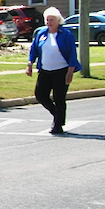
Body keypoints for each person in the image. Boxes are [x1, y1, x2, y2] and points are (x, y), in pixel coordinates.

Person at [26, 7, 81, 135]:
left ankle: (57, 125)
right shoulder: (41, 33)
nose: (49, 22)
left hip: (61, 70)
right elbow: (34, 50)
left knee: (59, 97)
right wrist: (30, 64)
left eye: (52, 20)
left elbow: (72, 54)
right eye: (47, 20)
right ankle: (57, 114)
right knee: (40, 95)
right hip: (45, 70)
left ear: (58, 21)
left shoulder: (66, 34)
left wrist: (70, 72)